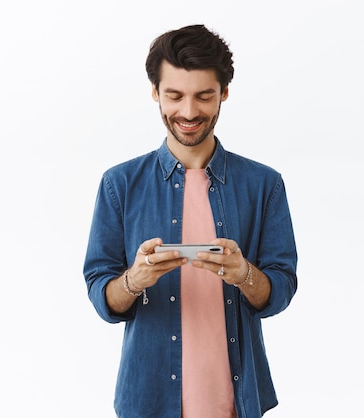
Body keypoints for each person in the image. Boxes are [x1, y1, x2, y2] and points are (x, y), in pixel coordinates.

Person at [83, 24, 297, 418]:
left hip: (237, 401)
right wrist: (135, 280)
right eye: (174, 96)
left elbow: (280, 289)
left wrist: (243, 273)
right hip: (147, 400)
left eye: (204, 96)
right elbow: (102, 295)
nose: (188, 112)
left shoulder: (263, 184)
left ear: (224, 94)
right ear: (155, 93)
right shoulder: (119, 185)